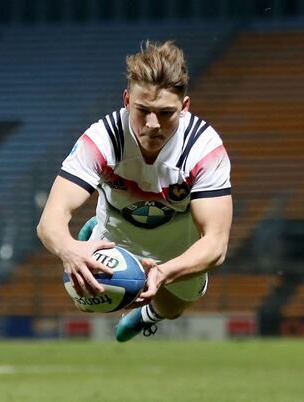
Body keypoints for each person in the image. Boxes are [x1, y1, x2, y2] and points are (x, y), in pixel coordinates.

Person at [36, 40, 232, 342]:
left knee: (173, 308)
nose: (152, 124)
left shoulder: (204, 149)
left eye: (165, 113)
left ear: (184, 107)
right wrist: (69, 248)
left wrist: (163, 273)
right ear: (127, 100)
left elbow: (216, 243)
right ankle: (98, 230)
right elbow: (50, 219)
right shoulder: (102, 138)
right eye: (143, 110)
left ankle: (148, 316)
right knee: (88, 301)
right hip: (119, 230)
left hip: (178, 241)